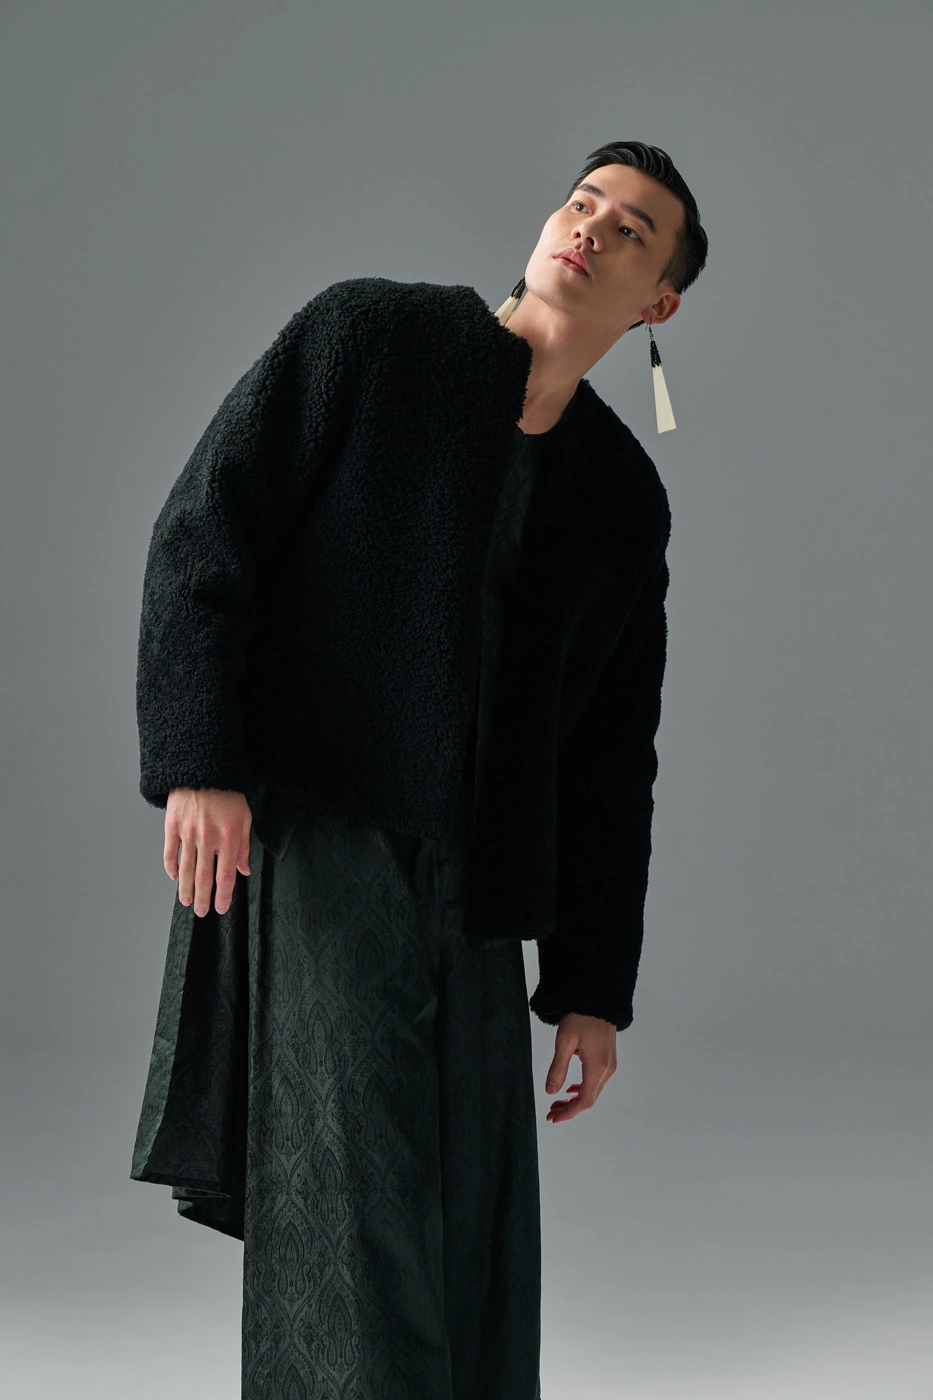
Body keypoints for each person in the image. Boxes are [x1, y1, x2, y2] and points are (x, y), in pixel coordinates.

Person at [130, 141, 708, 1400]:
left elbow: (613, 757)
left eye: (632, 231)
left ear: (659, 304)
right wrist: (199, 759)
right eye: (585, 203)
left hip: (480, 891)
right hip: (325, 843)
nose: (592, 230)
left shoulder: (620, 496)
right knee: (356, 1216)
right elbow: (203, 531)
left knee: (475, 1236)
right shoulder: (377, 337)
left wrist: (593, 986)